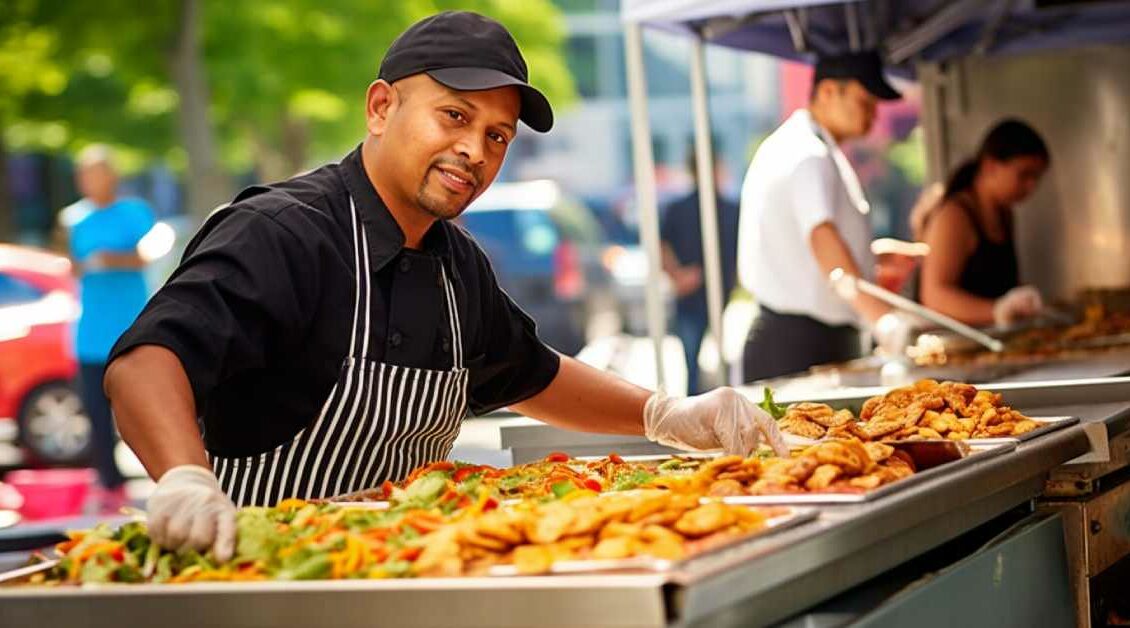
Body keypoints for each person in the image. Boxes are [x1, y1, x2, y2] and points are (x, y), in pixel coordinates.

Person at [103, 11, 787, 561]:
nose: (476, 151)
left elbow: (533, 374)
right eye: (454, 117)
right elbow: (147, 363)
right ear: (380, 107)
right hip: (262, 576)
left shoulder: (458, 263)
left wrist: (665, 415)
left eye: (498, 136)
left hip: (411, 575)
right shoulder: (281, 232)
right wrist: (184, 480)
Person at [737, 50, 901, 382]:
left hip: (812, 338)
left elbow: (810, 244)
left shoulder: (815, 148)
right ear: (827, 92)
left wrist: (873, 258)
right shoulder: (806, 153)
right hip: (797, 344)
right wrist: (882, 318)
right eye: (864, 101)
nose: (872, 114)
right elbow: (821, 237)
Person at [58, 145, 155, 513]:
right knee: (97, 415)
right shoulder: (72, 218)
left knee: (144, 409)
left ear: (111, 176)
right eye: (83, 174)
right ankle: (109, 483)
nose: (88, 181)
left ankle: (167, 475)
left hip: (133, 328)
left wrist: (112, 259)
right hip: (90, 334)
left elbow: (150, 255)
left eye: (95, 173)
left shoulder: (135, 212)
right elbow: (71, 264)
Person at [917, 119, 1050, 327]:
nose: (1031, 186)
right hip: (956, 344)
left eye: (1036, 178)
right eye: (1024, 175)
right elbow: (934, 296)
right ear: (991, 166)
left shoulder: (1005, 213)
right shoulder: (954, 217)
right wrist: (996, 310)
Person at [660, 150, 739, 394]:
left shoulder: (731, 208)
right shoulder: (679, 209)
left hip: (722, 292)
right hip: (691, 295)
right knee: (693, 365)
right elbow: (661, 245)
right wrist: (678, 277)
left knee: (721, 365)